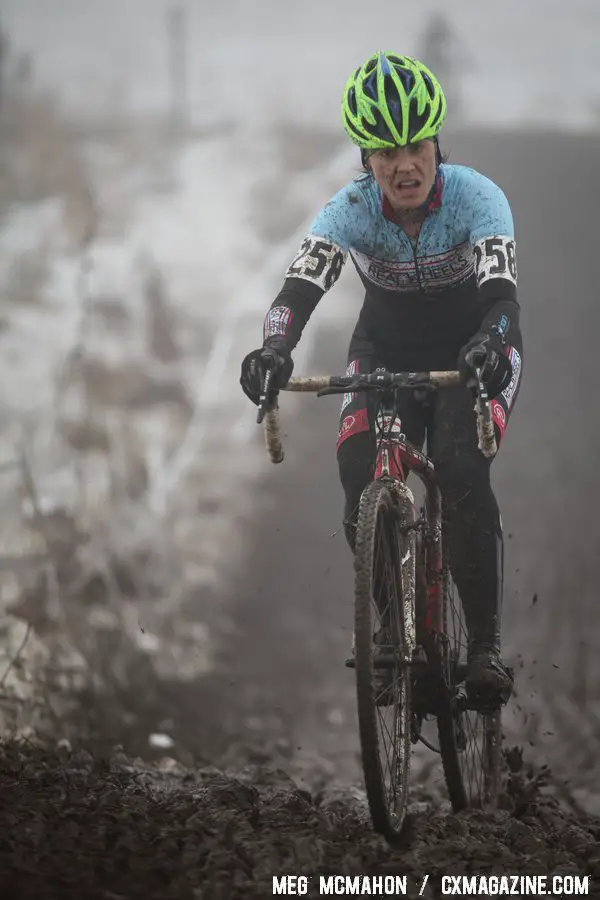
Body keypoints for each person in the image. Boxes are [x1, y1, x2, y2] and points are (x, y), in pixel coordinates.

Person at [240, 51, 522, 704]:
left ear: (436, 143)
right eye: (384, 151)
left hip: (475, 347)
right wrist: (274, 348)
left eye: (415, 145)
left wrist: (487, 344)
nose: (403, 165)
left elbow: (502, 300)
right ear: (365, 160)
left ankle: (483, 648)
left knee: (458, 469)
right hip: (385, 347)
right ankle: (392, 634)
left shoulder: (479, 200)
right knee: (356, 464)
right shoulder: (350, 210)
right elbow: (298, 290)